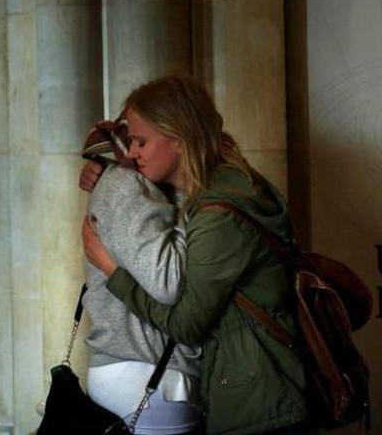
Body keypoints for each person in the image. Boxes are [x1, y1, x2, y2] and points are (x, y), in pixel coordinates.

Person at [81, 76, 311, 435]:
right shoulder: (225, 187)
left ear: (180, 136)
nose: (133, 152)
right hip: (254, 385)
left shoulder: (219, 211)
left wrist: (113, 272)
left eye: (140, 141)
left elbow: (187, 324)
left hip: (257, 397)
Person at [80, 119, 203, 434]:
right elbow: (167, 282)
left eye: (141, 142)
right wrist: (190, 198)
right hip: (146, 369)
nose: (134, 152)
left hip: (139, 367)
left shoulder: (129, 182)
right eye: (133, 141)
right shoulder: (126, 184)